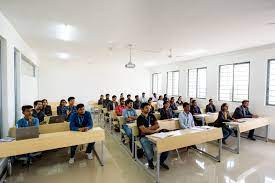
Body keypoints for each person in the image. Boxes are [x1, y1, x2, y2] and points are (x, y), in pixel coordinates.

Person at [137, 103, 169, 170]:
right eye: (146, 108)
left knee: (166, 146)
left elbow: (157, 125)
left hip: (154, 135)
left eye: (149, 108)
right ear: (142, 109)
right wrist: (153, 130)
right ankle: (150, 162)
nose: (148, 109)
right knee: (149, 151)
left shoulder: (152, 115)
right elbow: (144, 131)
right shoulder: (139, 118)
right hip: (144, 137)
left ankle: (161, 162)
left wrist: (148, 128)